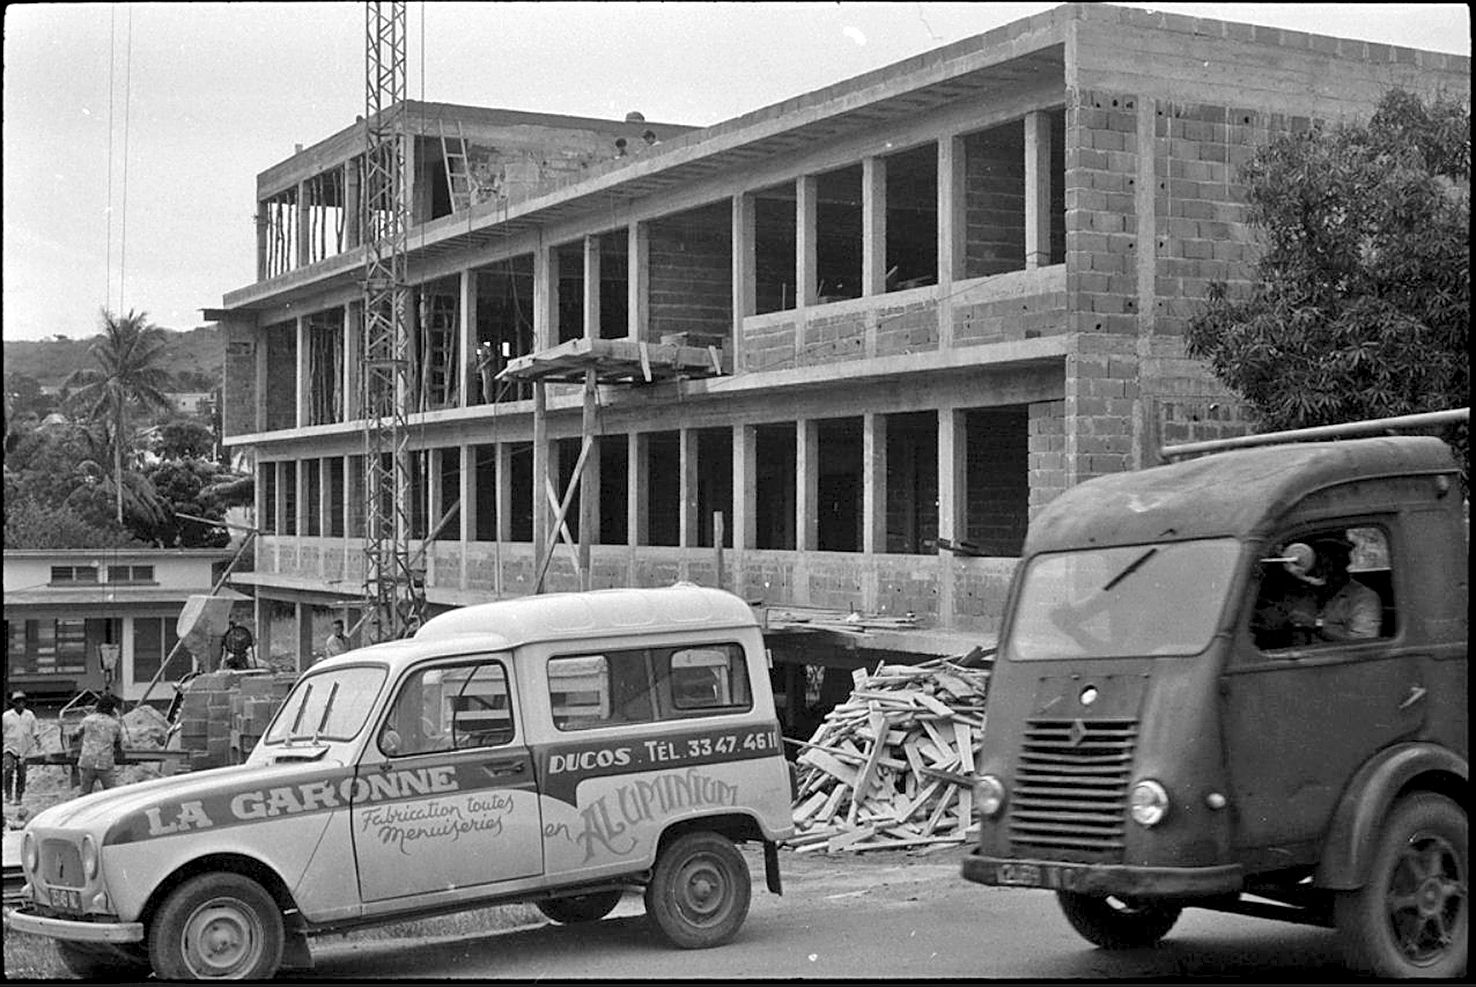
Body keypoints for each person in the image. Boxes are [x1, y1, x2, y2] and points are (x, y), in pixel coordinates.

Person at [1303, 536, 1383, 641]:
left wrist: (1316, 624)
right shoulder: (1309, 593)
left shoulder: (1364, 598)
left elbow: (1362, 643)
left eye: (1328, 565)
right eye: (1318, 565)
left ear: (1341, 565)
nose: (1321, 571)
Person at [72, 693, 128, 795]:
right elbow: (120, 743)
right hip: (105, 763)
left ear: (97, 706)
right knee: (111, 794)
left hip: (86, 762)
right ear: (112, 709)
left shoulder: (87, 720)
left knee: (84, 793)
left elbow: (75, 736)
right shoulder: (115, 724)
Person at [3, 691, 40, 804]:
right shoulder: (6, 716)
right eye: (18, 702)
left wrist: (38, 740)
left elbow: (35, 730)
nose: (20, 704)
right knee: (8, 770)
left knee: (22, 773)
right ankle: (8, 795)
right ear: (14, 703)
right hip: (10, 747)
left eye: (22, 702)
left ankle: (19, 796)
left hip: (24, 749)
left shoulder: (29, 715)